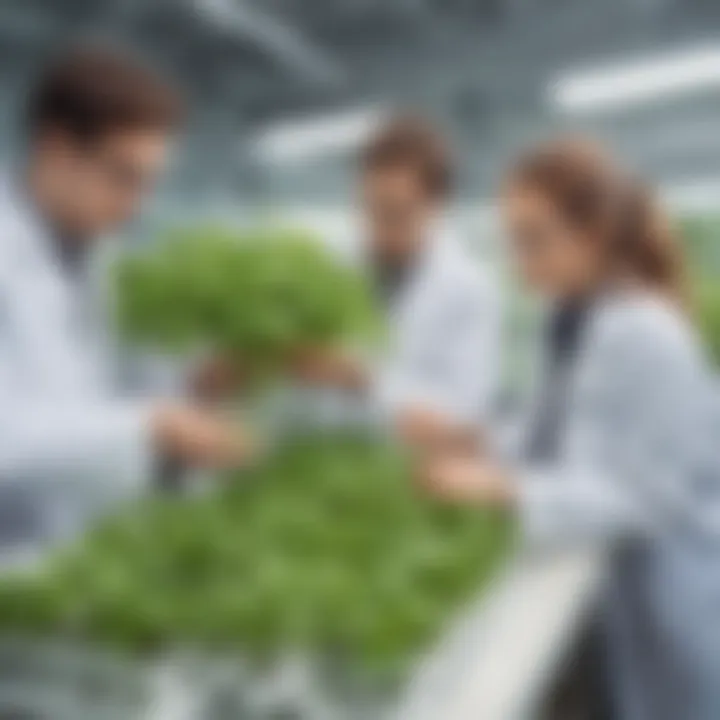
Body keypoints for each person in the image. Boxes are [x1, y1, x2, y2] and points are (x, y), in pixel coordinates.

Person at [421, 138, 720, 720]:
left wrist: (504, 488)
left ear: (596, 235)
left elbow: (652, 498)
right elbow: (551, 427)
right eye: (512, 242)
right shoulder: (570, 318)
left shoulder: (648, 334)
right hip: (601, 579)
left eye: (534, 241)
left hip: (665, 593)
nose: (519, 264)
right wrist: (478, 440)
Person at [0, 46, 254, 547]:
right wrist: (151, 426)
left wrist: (200, 387)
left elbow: (98, 400)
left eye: (149, 183)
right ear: (56, 148)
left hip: (58, 561)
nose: (137, 206)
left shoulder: (97, 260)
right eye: (123, 177)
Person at [292, 116, 502, 448]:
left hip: (409, 476)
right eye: (368, 207)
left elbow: (465, 417)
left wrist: (365, 381)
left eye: (394, 212)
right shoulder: (331, 264)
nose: (376, 226)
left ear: (437, 205)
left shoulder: (469, 289)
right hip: (321, 459)